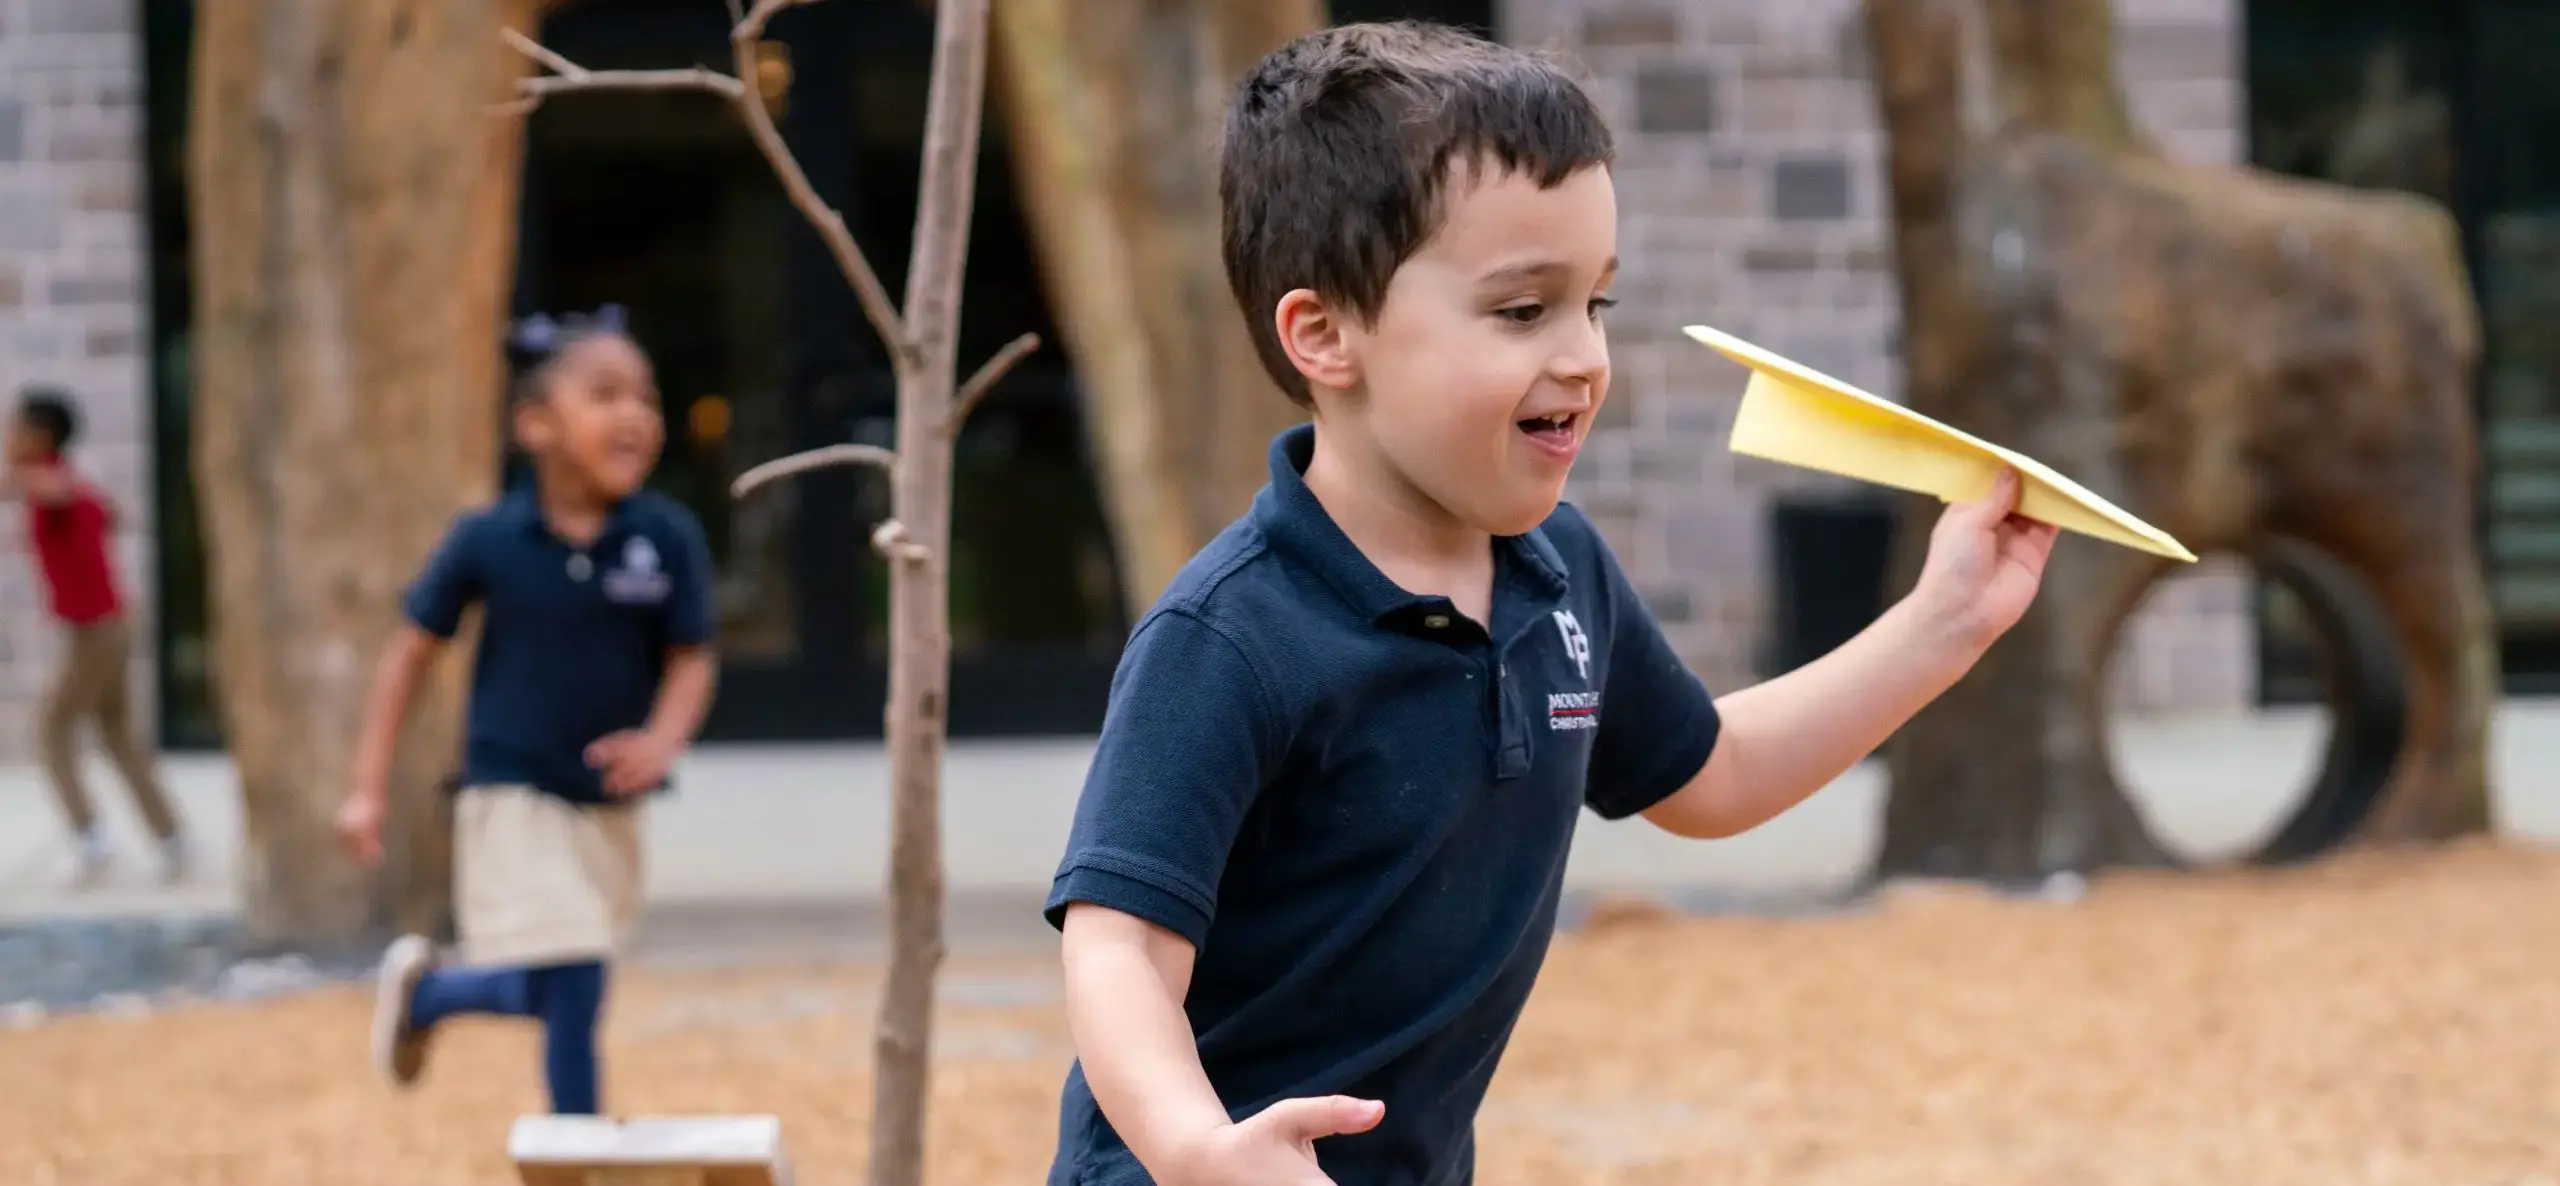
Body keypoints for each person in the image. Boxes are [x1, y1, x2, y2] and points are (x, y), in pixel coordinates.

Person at [1042, 20, 2060, 1186]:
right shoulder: (1231, 636)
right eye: (1524, 311)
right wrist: (1193, 1148)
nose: (1583, 357)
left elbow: (1712, 776)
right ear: (1324, 333)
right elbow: (1118, 947)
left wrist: (1946, 621)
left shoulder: (1556, 568)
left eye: (1598, 305)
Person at [336, 306, 719, 1116]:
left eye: (645, 399)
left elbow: (692, 657)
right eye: (605, 394)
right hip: (510, 789)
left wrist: (663, 740)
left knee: (566, 977)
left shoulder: (666, 537)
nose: (634, 416)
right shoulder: (487, 540)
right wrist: (367, 787)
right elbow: (408, 653)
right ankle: (576, 1146)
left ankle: (431, 998)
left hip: (609, 801)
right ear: (536, 424)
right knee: (577, 974)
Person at [2, 386, 187, 887]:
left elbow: (48, 490)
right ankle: (172, 837)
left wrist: (26, 476)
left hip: (95, 632)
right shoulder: (71, 484)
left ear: (40, 437)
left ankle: (91, 840)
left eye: (15, 427)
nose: (6, 435)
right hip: (109, 625)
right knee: (117, 734)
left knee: (53, 731)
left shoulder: (55, 485)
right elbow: (112, 515)